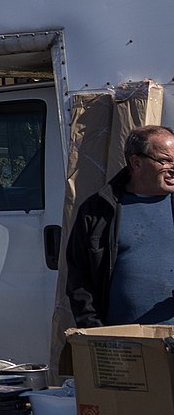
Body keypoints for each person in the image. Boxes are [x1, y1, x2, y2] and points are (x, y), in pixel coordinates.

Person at [66, 124, 174, 328]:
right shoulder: (99, 210)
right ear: (136, 162)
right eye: (165, 160)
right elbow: (79, 279)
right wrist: (95, 331)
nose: (173, 168)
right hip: (122, 341)